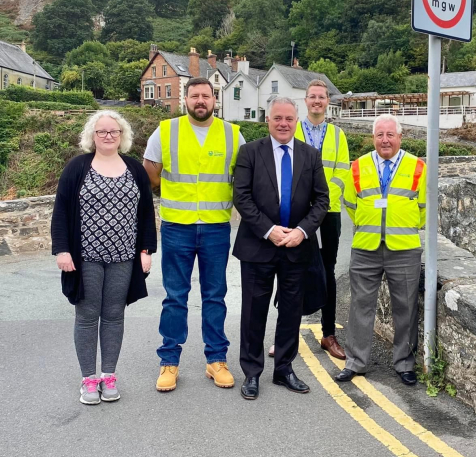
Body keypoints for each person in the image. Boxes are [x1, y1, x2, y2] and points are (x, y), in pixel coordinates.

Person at [143, 77, 245, 392]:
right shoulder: (166, 131)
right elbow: (151, 171)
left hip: (216, 227)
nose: (200, 100)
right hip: (177, 227)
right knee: (176, 297)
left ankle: (216, 361)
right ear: (186, 99)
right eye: (195, 95)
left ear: (215, 99)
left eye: (206, 95)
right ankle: (169, 363)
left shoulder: (233, 135)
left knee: (215, 296)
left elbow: (244, 179)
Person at [51, 110, 157, 405]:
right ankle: (88, 379)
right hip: (85, 257)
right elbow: (60, 211)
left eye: (114, 131)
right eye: (102, 132)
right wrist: (62, 249)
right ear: (92, 136)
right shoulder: (77, 167)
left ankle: (109, 376)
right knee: (86, 317)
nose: (108, 136)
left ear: (122, 136)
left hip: (123, 257)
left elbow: (146, 213)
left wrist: (146, 250)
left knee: (113, 316)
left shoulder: (134, 169)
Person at [233, 96, 329, 400]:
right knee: (253, 311)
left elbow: (322, 200)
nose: (284, 124)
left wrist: (302, 231)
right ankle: (251, 372)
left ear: (296, 120)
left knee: (291, 311)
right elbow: (242, 197)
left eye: (289, 118)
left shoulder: (310, 155)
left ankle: (284, 369)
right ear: (268, 120)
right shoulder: (249, 152)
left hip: (297, 247)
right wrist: (269, 230)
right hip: (258, 246)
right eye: (278, 118)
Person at [335, 114, 426, 386]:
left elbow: (423, 208)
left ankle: (404, 363)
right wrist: (370, 224)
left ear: (400, 137)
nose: (384, 140)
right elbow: (350, 204)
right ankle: (356, 362)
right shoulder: (358, 166)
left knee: (406, 307)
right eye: (379, 135)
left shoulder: (418, 167)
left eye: (390, 135)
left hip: (404, 248)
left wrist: (401, 225)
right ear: (372, 138)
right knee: (360, 306)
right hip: (366, 247)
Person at [266, 80, 349, 360]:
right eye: (312, 97)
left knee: (327, 271)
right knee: (289, 270)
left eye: (321, 97)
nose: (317, 101)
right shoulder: (293, 129)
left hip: (328, 213)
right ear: (306, 100)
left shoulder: (338, 135)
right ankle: (284, 336)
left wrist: (320, 202)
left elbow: (342, 174)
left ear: (328, 101)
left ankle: (328, 334)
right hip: (297, 212)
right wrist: (307, 203)